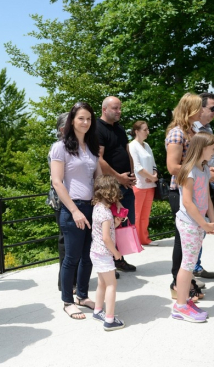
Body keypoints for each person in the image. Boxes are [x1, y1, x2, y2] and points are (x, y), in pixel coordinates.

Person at [165, 93, 214, 301]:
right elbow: (172, 167)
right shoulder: (177, 134)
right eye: (199, 108)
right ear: (189, 110)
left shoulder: (193, 131)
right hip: (180, 192)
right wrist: (200, 172)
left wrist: (208, 170)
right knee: (182, 241)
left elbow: (198, 163)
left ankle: (186, 281)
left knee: (191, 242)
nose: (203, 111)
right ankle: (177, 283)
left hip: (195, 190)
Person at [50, 102, 102, 320]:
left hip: (92, 206)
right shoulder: (60, 147)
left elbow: (98, 177)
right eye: (81, 118)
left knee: (88, 256)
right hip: (74, 208)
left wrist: (104, 202)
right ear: (72, 120)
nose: (85, 122)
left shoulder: (90, 147)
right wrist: (74, 210)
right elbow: (57, 182)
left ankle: (82, 295)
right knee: (71, 257)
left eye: (89, 118)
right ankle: (68, 301)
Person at [172, 132, 214, 322]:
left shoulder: (204, 168)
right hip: (190, 222)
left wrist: (212, 221)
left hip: (199, 222)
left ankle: (184, 301)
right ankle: (180, 307)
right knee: (187, 265)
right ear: (202, 148)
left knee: (190, 265)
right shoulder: (189, 170)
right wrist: (204, 224)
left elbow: (206, 196)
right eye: (212, 148)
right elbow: (188, 203)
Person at [96, 96, 137, 273]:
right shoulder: (97, 128)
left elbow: (127, 152)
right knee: (110, 224)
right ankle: (108, 263)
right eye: (115, 108)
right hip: (111, 185)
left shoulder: (119, 129)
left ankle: (118, 258)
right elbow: (99, 159)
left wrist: (132, 173)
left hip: (125, 183)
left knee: (124, 222)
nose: (119, 111)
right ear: (104, 109)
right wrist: (119, 178)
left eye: (120, 108)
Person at [191, 92, 214, 279]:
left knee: (201, 231)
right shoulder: (191, 130)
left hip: (207, 182)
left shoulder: (208, 130)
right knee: (193, 231)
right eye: (212, 108)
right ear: (200, 108)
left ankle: (196, 266)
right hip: (194, 184)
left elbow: (212, 156)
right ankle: (190, 272)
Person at [90, 175, 126, 331]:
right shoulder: (105, 213)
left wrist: (115, 224)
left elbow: (103, 231)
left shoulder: (98, 207)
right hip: (104, 253)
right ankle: (109, 320)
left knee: (102, 283)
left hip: (95, 252)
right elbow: (106, 238)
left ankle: (98, 310)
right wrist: (116, 253)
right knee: (112, 284)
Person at [50, 113, 77, 292]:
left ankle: (72, 280)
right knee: (66, 241)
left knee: (75, 242)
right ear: (62, 129)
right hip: (62, 200)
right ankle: (66, 282)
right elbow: (58, 180)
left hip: (76, 199)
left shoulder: (77, 146)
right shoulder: (58, 148)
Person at [129, 120, 158, 245]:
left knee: (145, 215)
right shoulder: (132, 145)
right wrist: (151, 176)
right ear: (137, 131)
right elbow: (137, 167)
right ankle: (135, 241)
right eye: (145, 129)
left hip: (150, 185)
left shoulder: (147, 145)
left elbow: (154, 164)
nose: (148, 132)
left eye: (147, 129)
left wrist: (154, 176)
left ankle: (144, 239)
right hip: (139, 185)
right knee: (136, 214)